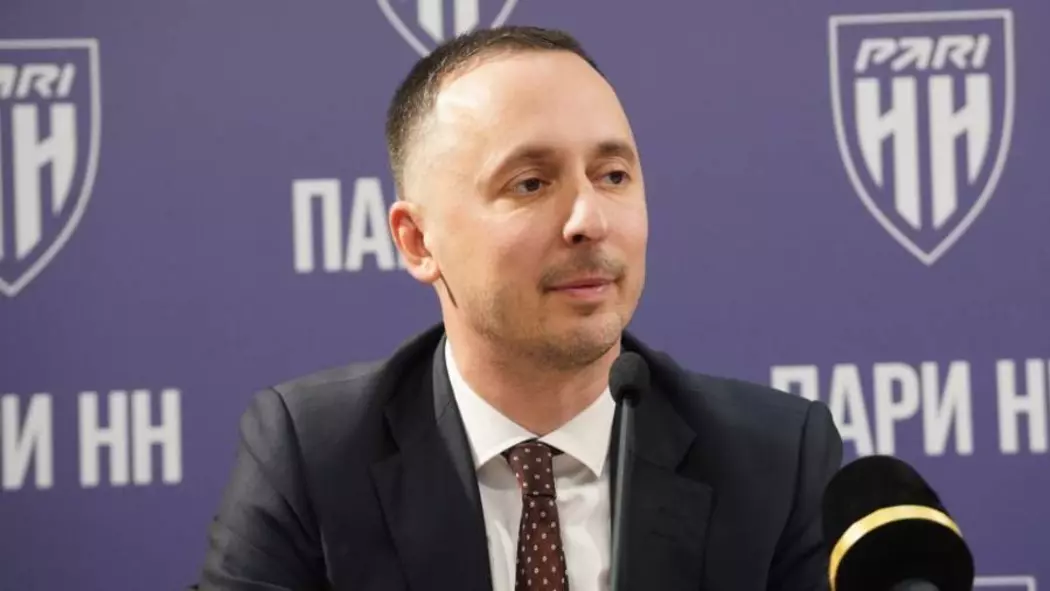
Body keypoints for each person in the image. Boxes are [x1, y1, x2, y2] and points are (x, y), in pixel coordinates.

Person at [194, 25, 843, 591]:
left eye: (613, 176)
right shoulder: (313, 457)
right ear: (418, 241)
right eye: (530, 183)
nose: (590, 220)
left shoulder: (773, 461)